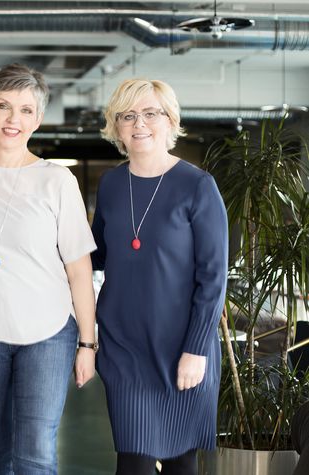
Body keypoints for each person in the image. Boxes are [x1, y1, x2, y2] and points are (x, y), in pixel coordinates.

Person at [0, 63, 98, 474]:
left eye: (26, 110)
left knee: (36, 452)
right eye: (3, 106)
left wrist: (87, 343)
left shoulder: (57, 180)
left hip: (46, 334)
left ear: (39, 118)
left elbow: (79, 269)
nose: (14, 119)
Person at [93, 78, 228, 475]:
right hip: (124, 346)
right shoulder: (113, 184)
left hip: (181, 347)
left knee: (180, 465)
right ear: (115, 126)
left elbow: (213, 277)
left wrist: (197, 349)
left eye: (150, 113)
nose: (140, 123)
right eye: (128, 115)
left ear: (170, 120)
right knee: (132, 463)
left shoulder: (198, 186)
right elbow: (98, 254)